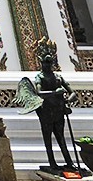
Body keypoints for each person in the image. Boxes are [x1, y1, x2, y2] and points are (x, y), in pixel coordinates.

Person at [13, 38, 78, 171]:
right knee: (47, 139)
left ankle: (69, 163)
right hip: (46, 112)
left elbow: (73, 94)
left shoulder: (58, 77)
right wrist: (56, 92)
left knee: (61, 138)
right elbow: (39, 93)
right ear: (41, 63)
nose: (48, 65)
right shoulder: (40, 78)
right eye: (45, 62)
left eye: (50, 62)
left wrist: (67, 100)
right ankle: (52, 162)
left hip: (59, 110)